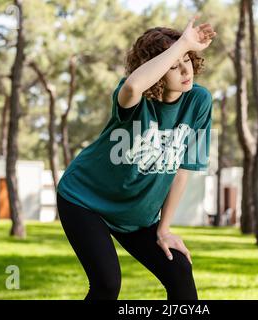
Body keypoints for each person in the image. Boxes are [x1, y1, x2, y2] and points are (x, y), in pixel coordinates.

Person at [56, 15, 217, 300]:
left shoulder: (199, 101)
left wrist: (164, 229)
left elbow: (183, 168)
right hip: (84, 199)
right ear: (155, 71)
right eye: (173, 65)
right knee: (107, 285)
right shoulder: (134, 97)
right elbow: (133, 87)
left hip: (136, 217)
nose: (184, 70)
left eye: (187, 60)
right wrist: (181, 44)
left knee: (179, 273)